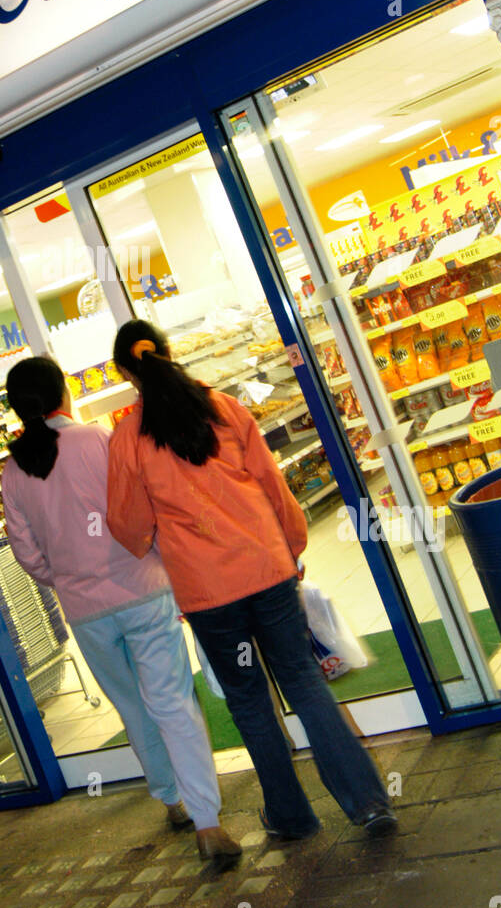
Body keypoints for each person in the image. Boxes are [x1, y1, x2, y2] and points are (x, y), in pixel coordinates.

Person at [106, 319, 397, 844]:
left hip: (209, 597)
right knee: (304, 684)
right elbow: (270, 480)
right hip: (267, 571)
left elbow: (127, 526)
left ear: (127, 373)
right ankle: (369, 803)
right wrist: (292, 543)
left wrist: (162, 533)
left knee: (249, 699)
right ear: (169, 351)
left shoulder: (129, 437)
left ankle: (290, 817)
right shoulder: (224, 407)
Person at [0, 355, 238, 866]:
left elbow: (25, 553)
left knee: (132, 706)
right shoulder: (95, 441)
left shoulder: (13, 471)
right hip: (142, 592)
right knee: (172, 703)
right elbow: (141, 503)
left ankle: (171, 801)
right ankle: (208, 823)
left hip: (85, 612)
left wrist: (68, 577)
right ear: (62, 393)